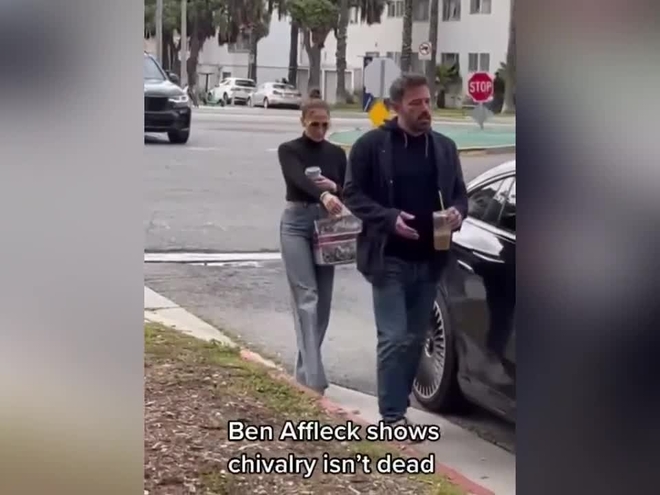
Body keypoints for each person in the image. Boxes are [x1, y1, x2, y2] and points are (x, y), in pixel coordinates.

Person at [343, 73, 468, 430]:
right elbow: (352, 194)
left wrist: (458, 212)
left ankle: (399, 406)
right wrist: (389, 218)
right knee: (394, 337)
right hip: (388, 258)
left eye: (427, 101)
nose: (425, 109)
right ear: (395, 106)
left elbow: (460, 194)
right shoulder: (371, 146)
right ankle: (391, 417)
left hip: (430, 258)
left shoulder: (444, 147)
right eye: (416, 103)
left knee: (414, 339)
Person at [277, 96, 347, 395]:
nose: (319, 130)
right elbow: (297, 179)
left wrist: (335, 188)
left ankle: (304, 373)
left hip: (327, 225)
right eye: (314, 124)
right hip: (296, 223)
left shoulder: (336, 154)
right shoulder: (289, 150)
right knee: (307, 296)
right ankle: (315, 380)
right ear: (303, 121)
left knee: (323, 302)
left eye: (324, 125)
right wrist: (323, 195)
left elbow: (350, 188)